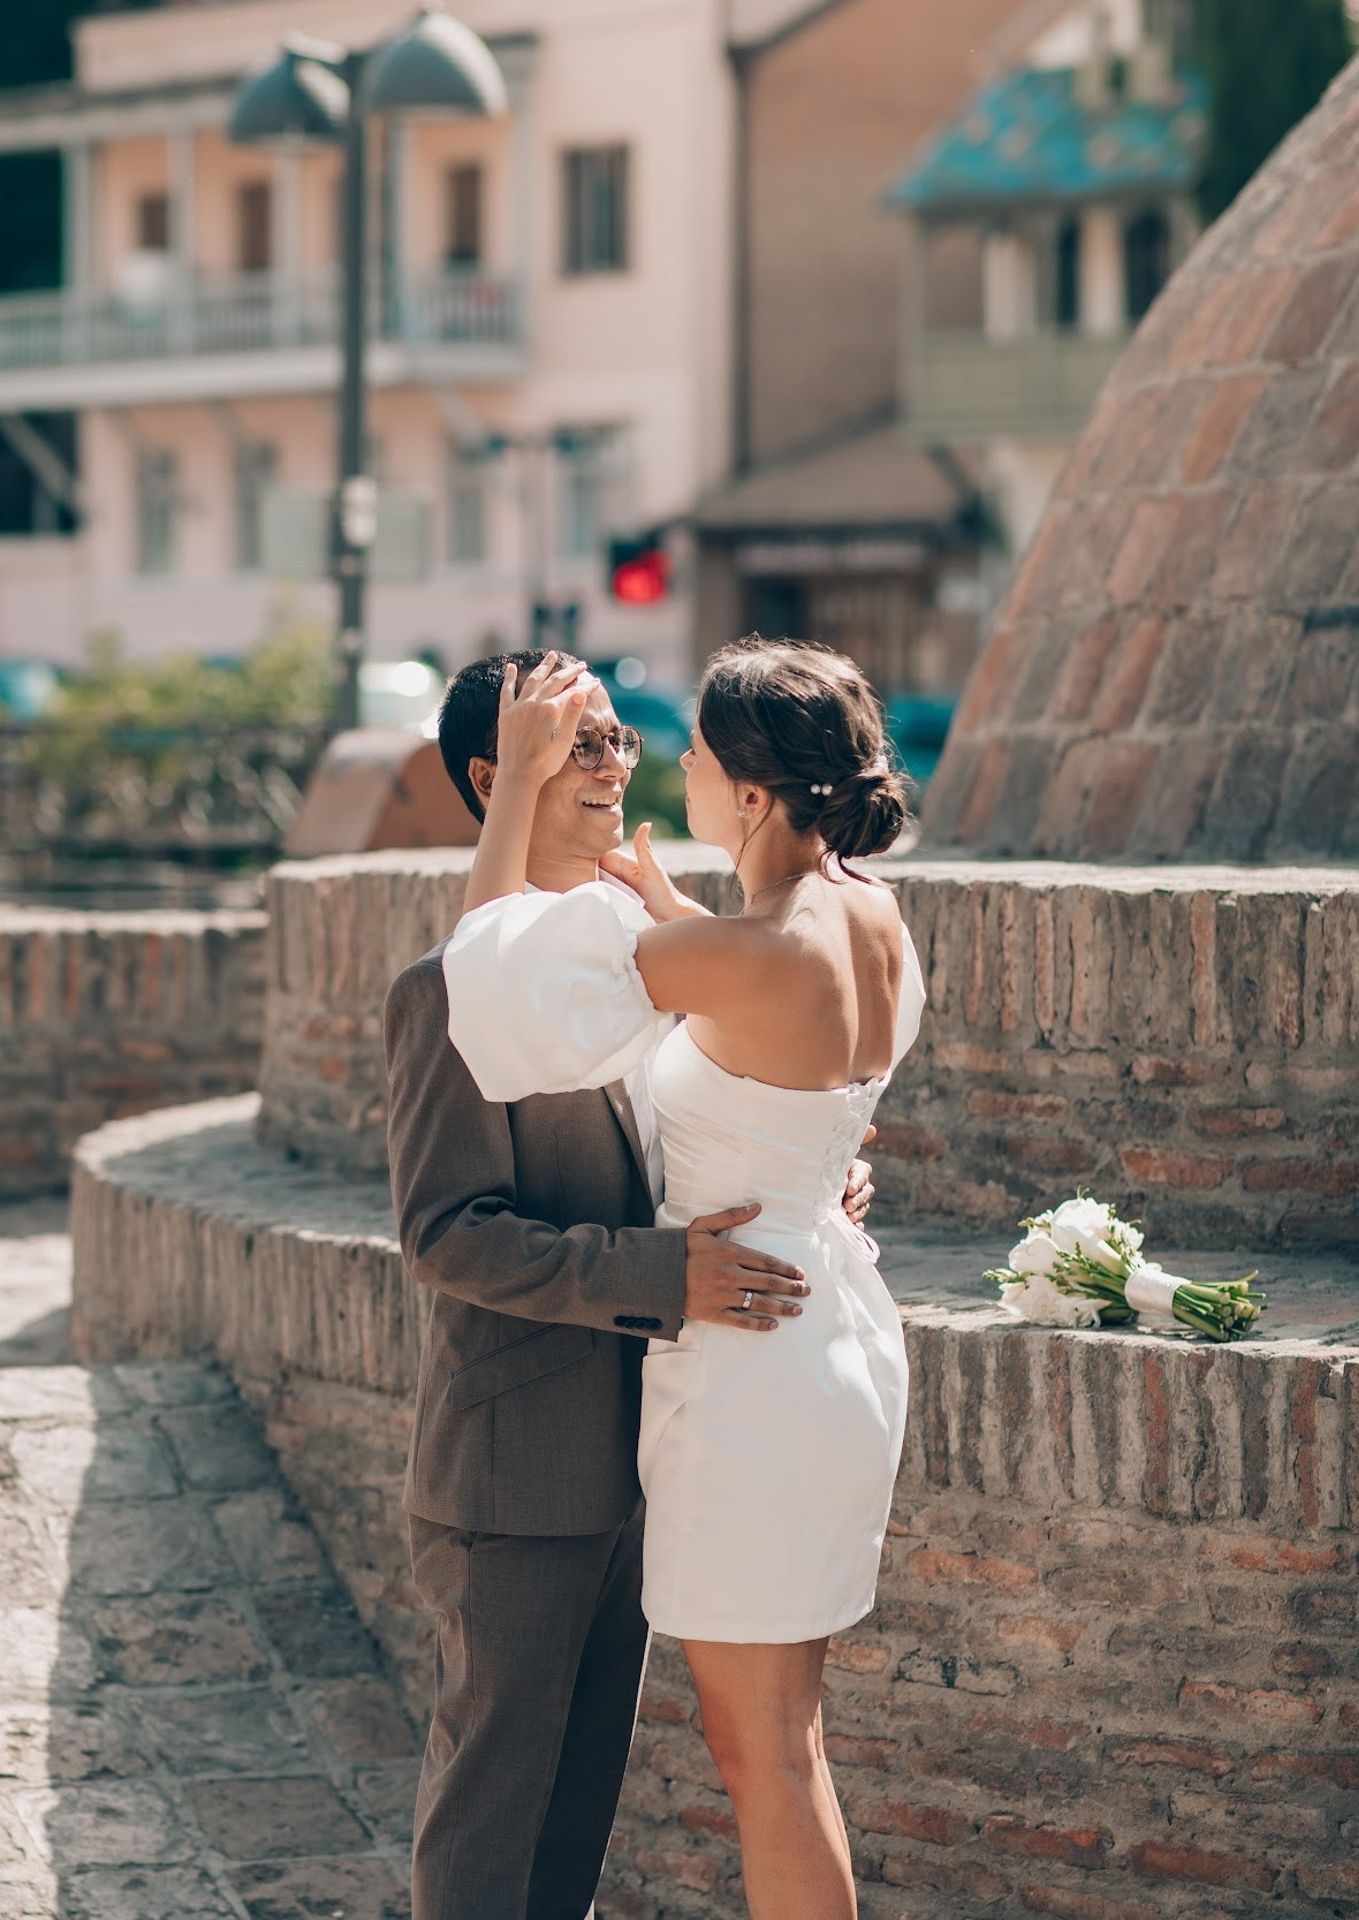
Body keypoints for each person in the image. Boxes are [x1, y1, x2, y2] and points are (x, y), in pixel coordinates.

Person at [382, 648, 877, 1920]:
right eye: (577, 742)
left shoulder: (659, 949)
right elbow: (448, 1234)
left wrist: (804, 1192)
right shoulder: (447, 993)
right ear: (496, 780)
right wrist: (666, 1271)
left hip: (665, 1445)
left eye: (619, 738)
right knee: (493, 1824)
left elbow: (726, 1113)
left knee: (579, 1824)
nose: (617, 764)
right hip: (520, 1467)